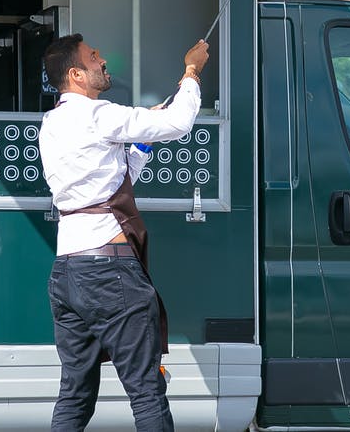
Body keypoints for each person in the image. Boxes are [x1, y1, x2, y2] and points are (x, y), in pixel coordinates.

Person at [38, 34, 210, 432]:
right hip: (111, 274)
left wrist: (142, 141)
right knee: (147, 392)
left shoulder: (51, 124)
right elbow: (178, 122)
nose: (103, 60)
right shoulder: (99, 115)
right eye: (94, 57)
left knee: (75, 396)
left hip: (67, 274)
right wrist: (191, 72)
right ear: (77, 74)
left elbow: (113, 179)